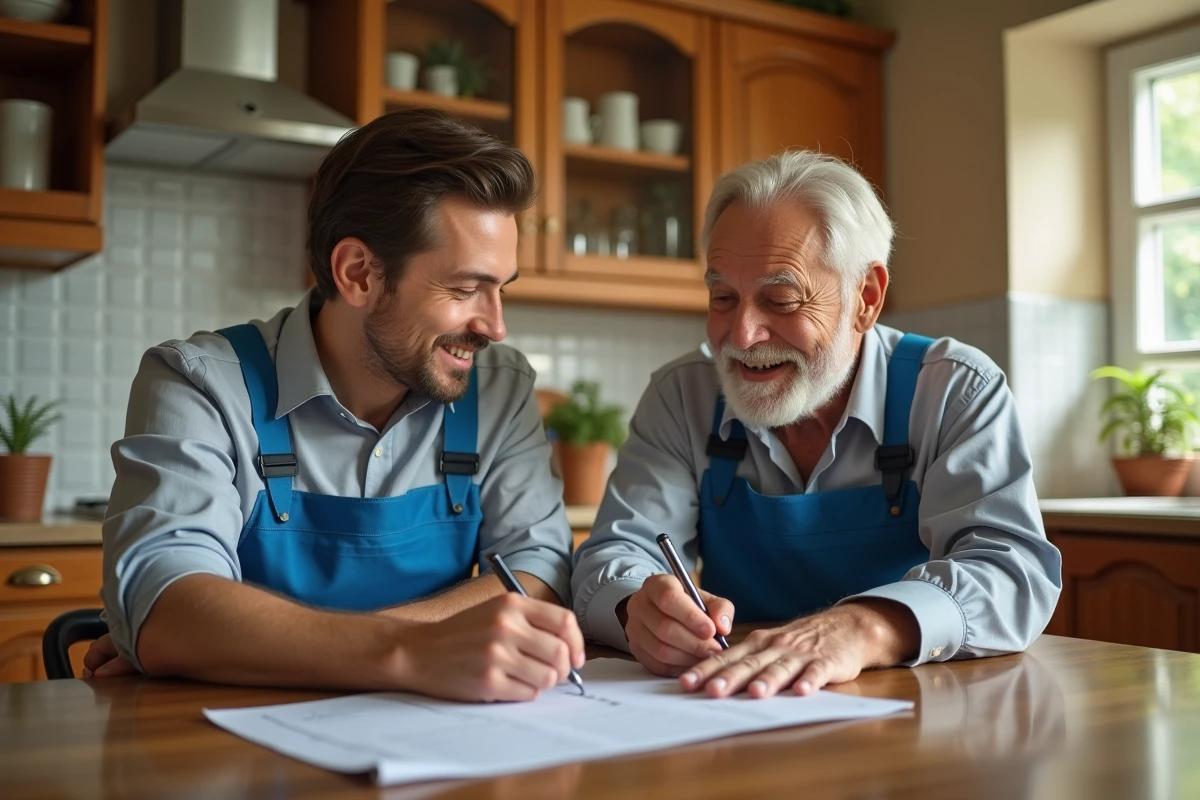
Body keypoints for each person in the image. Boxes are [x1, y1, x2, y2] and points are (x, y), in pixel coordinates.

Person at [86, 109, 583, 702]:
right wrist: (411, 651)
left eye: (503, 288)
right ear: (358, 273)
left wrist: (236, 639)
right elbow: (167, 603)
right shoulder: (200, 384)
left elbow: (540, 570)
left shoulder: (498, 388)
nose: (496, 326)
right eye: (464, 289)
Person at [571, 151, 1062, 700]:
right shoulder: (682, 395)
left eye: (780, 300)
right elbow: (612, 555)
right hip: (740, 706)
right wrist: (638, 606)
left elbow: (1011, 572)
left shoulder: (953, 390)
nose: (742, 335)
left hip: (920, 712)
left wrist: (865, 627)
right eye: (722, 298)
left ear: (866, 299)